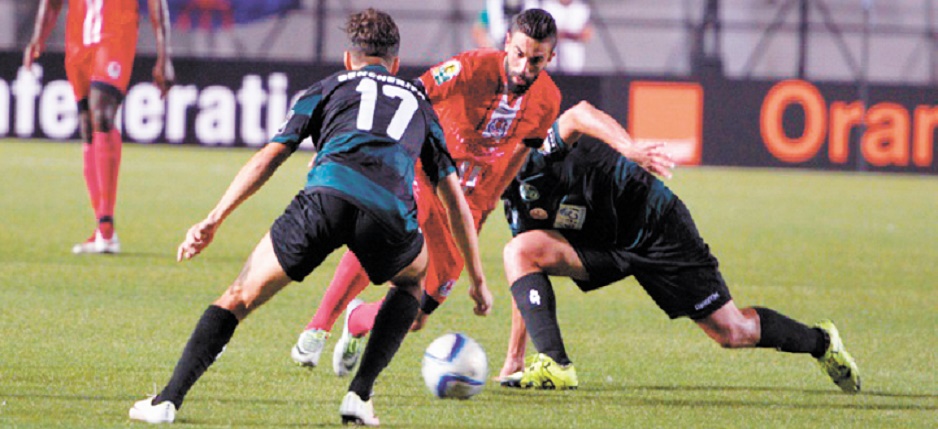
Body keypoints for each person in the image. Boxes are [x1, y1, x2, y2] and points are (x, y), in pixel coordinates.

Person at [128, 9, 489, 426]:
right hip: (388, 211)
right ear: (396, 62)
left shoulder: (327, 86)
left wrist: (214, 218)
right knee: (412, 281)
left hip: (326, 198)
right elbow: (452, 197)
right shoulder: (419, 102)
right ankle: (360, 394)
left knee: (239, 297)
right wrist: (477, 279)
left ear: (348, 58)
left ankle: (168, 401)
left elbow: (272, 155)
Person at [495, 101, 861, 394]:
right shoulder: (510, 198)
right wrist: (514, 357)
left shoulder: (536, 150)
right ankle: (555, 364)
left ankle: (821, 342)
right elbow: (526, 280)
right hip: (604, 245)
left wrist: (628, 147)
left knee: (732, 332)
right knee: (520, 251)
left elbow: (579, 114)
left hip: (656, 224)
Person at [290, 8, 561, 378]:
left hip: (471, 199)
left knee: (419, 311)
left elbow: (522, 150)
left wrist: (491, 197)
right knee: (385, 233)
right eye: (518, 54)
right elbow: (408, 94)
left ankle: (358, 319)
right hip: (425, 172)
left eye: (536, 60)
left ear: (551, 58)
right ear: (506, 45)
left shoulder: (548, 99)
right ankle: (317, 326)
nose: (523, 67)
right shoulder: (469, 66)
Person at [24, 0, 175, 254]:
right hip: (77, 40)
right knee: (87, 125)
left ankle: (106, 228)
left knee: (102, 114)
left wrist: (164, 56)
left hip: (116, 36)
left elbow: (157, 6)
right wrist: (38, 38)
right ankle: (103, 231)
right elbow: (51, 3)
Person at [539, 0, 593, 73]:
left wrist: (564, 34)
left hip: (573, 59)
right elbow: (545, 33)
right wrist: (572, 35)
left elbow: (586, 35)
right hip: (551, 59)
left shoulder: (581, 8)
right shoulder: (547, 6)